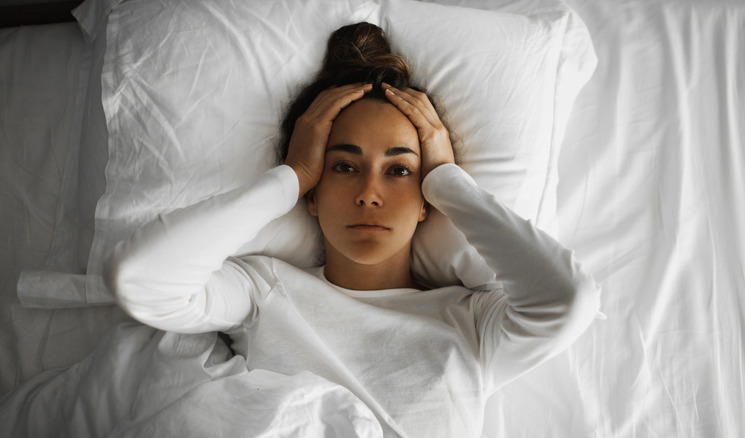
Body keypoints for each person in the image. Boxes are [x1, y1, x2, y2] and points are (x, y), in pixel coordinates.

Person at [104, 22, 601, 437]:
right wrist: (291, 177)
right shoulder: (267, 290)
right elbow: (140, 280)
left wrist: (450, 180)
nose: (369, 192)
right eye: (343, 166)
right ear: (314, 195)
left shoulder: (473, 322)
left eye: (400, 170)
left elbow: (568, 298)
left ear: (428, 198)